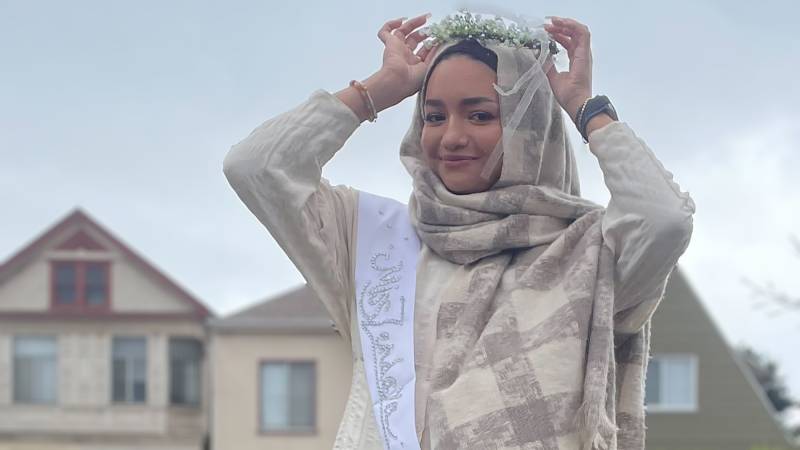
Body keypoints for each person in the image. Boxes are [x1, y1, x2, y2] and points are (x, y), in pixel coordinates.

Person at [223, 10, 695, 450]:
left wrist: (586, 108)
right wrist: (377, 91)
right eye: (434, 115)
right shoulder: (371, 238)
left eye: (480, 114)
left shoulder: (590, 251)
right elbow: (257, 167)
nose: (450, 137)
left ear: (529, 127)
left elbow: (663, 217)